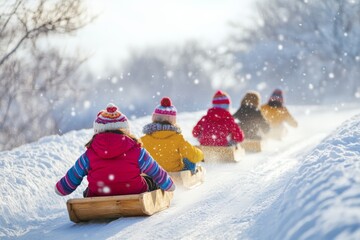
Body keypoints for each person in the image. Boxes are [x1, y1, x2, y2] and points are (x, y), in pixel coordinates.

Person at [55, 103, 175, 197]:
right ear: (125, 129)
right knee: (150, 180)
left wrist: (62, 188)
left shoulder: (89, 155)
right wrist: (168, 185)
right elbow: (155, 171)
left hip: (100, 193)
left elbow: (74, 175)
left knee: (88, 190)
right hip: (133, 192)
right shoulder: (137, 151)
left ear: (97, 130)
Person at [141, 97, 203, 173]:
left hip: (152, 173)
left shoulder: (143, 140)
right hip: (174, 173)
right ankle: (193, 174)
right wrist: (201, 154)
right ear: (173, 120)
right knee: (188, 157)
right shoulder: (177, 138)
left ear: (154, 117)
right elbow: (194, 156)